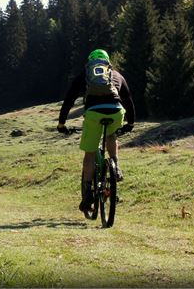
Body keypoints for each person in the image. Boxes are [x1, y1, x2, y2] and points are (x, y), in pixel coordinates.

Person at [57, 49, 135, 213]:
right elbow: (128, 99)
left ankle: (87, 195)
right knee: (111, 135)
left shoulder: (85, 75)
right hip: (115, 112)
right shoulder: (116, 75)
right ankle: (116, 166)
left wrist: (62, 123)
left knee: (90, 153)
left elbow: (70, 99)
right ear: (108, 62)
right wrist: (130, 123)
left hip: (93, 113)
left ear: (90, 62)